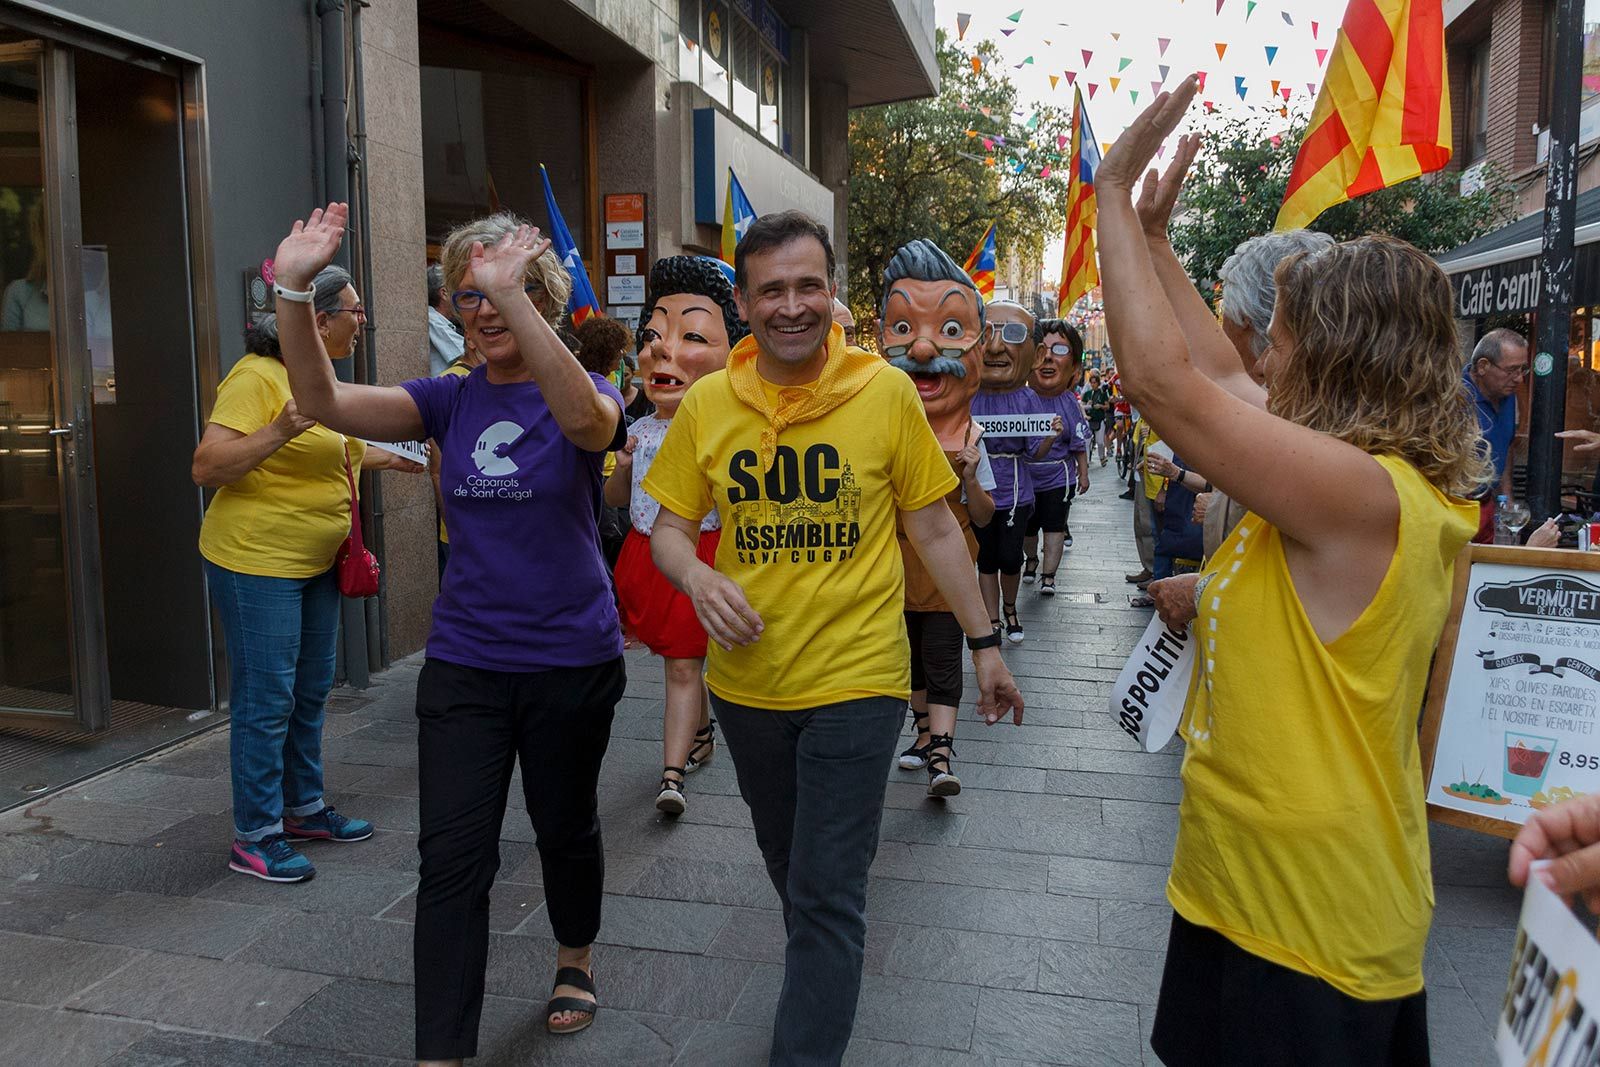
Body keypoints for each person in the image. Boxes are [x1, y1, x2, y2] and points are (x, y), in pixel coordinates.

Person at [1099, 81, 1487, 1065]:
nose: (1259, 360)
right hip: (1243, 885)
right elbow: (1213, 375)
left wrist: (1104, 189)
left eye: (1275, 336)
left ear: (1330, 352)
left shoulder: (1363, 491)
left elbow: (1163, 384)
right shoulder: (1355, 475)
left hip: (1309, 917)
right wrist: (1149, 238)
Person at [641, 210, 1024, 1066]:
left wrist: (984, 644)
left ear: (833, 293)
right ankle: (822, 958)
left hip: (860, 681)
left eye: (808, 285)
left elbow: (931, 529)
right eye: (771, 289)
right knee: (792, 869)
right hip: (748, 687)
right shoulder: (709, 403)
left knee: (826, 890)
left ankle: (807, 1032)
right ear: (742, 302)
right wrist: (699, 577)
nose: (791, 305)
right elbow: (669, 529)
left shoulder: (883, 391)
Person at [268, 204, 627, 1061]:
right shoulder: (447, 398)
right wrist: (289, 287)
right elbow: (319, 399)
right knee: (452, 860)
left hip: (570, 657)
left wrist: (514, 292)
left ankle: (573, 956)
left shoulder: (586, 391)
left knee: (563, 826)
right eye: (467, 297)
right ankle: (442, 1052)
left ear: (540, 294)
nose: (485, 310)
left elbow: (590, 428)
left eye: (503, 291)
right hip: (466, 662)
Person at [192, 266, 423, 884]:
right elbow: (208, 465)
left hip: (318, 563)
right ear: (317, 321)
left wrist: (396, 459)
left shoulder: (320, 380)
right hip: (256, 563)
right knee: (266, 701)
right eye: (354, 311)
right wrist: (276, 429)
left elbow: (334, 450)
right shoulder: (256, 377)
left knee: (310, 690)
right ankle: (256, 835)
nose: (363, 320)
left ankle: (303, 809)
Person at [605, 256, 744, 814]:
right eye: (653, 334)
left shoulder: (730, 430)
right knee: (682, 661)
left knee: (684, 665)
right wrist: (618, 465)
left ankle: (671, 773)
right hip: (646, 559)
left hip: (702, 557)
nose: (663, 350)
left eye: (691, 335)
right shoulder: (637, 428)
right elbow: (618, 502)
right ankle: (702, 734)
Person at [876, 237, 997, 796]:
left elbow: (986, 516)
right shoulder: (878, 430)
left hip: (949, 579)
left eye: (951, 330)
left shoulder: (973, 435)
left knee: (944, 659)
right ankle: (924, 736)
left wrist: (970, 475)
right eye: (902, 329)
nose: (923, 350)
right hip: (892, 579)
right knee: (913, 667)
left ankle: (942, 754)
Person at [970, 300, 1051, 642]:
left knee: (1010, 558)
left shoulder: (1028, 399)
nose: (995, 346)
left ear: (1035, 354)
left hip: (1016, 492)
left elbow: (1034, 452)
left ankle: (1010, 608)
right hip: (977, 490)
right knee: (985, 558)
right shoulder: (967, 395)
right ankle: (991, 619)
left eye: (1012, 334)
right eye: (985, 334)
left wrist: (1050, 434)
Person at [1023, 319, 1091, 592]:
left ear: (1074, 366)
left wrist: (1083, 474)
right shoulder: (1021, 398)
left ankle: (1048, 575)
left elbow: (1078, 442)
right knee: (1028, 529)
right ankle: (1030, 559)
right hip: (1024, 479)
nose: (1049, 357)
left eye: (1060, 350)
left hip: (1057, 480)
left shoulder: (1068, 403)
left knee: (1054, 528)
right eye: (1043, 349)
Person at [1465, 328, 1530, 543]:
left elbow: (1507, 444)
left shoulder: (1506, 394)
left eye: (1522, 369)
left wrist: (1507, 495)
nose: (1519, 378)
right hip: (1457, 506)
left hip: (1488, 505)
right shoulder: (1455, 399)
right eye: (1511, 370)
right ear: (1483, 366)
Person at [426, 263, 465, 376]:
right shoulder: (432, 319)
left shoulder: (439, 320)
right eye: (457, 288)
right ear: (444, 293)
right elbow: (469, 356)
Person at [1083, 370, 1111, 465]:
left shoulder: (1103, 393)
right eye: (1091, 382)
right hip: (1090, 420)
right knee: (1087, 441)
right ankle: (1086, 461)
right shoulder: (1087, 394)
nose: (1093, 384)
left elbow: (1107, 406)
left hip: (1099, 420)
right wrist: (1087, 405)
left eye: (1095, 382)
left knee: (1100, 442)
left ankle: (1102, 457)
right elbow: (1081, 406)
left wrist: (1101, 406)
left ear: (1098, 383)